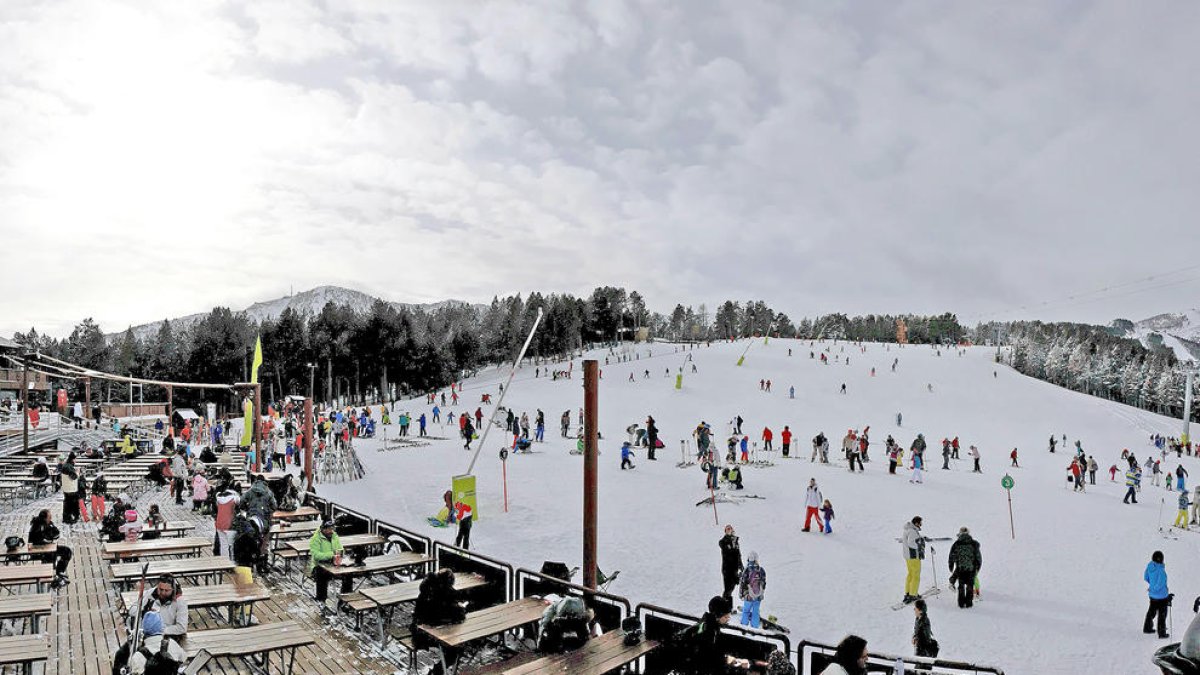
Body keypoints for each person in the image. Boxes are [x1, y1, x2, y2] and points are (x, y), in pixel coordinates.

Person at [411, 568, 467, 674]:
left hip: (418, 631)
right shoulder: (445, 595)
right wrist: (461, 609)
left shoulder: (426, 589)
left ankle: (438, 671)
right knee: (457, 649)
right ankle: (438, 671)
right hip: (427, 635)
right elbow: (458, 615)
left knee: (455, 646)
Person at [308, 520, 350, 604]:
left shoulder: (335, 536)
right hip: (319, 565)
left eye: (332, 528)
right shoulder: (315, 539)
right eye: (329, 529)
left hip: (334, 563)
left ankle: (345, 600)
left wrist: (340, 554)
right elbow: (316, 555)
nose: (332, 531)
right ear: (323, 529)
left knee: (348, 575)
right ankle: (321, 599)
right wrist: (332, 554)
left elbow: (340, 549)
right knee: (321, 574)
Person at [28, 509, 71, 588]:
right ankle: (52, 579)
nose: (51, 518)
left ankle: (60, 572)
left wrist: (52, 535)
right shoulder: (37, 526)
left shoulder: (49, 524)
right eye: (49, 517)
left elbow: (57, 533)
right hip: (38, 552)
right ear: (44, 518)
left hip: (49, 548)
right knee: (51, 555)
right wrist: (50, 537)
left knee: (67, 551)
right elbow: (41, 540)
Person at [947, 527, 982, 608]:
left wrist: (951, 566)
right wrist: (978, 566)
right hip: (971, 568)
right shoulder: (973, 543)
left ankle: (961, 603)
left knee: (961, 586)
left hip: (960, 568)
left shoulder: (956, 544)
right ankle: (969, 603)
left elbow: (951, 555)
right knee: (970, 585)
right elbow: (978, 556)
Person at [1144, 550, 1171, 638]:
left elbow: (1146, 577)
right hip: (1162, 596)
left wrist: (1152, 587)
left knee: (1151, 611)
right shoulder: (1161, 571)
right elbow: (1161, 584)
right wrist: (1156, 589)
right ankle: (1162, 633)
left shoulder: (1150, 566)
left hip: (1152, 596)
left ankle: (1147, 628)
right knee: (1162, 615)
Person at [739, 551, 766, 629]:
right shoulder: (761, 570)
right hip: (758, 596)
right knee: (755, 612)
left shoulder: (746, 570)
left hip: (748, 596)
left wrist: (741, 595)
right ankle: (755, 628)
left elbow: (742, 584)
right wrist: (761, 594)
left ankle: (743, 628)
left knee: (746, 611)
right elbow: (764, 583)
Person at [901, 516, 925, 604]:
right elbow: (911, 543)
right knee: (916, 575)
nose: (921, 525)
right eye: (920, 523)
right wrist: (920, 546)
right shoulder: (912, 531)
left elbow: (911, 541)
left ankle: (908, 593)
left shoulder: (908, 529)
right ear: (916, 523)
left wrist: (920, 539)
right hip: (913, 556)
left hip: (908, 557)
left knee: (910, 574)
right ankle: (913, 594)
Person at [718, 525, 742, 602]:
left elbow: (738, 555)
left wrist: (741, 565)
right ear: (725, 531)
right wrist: (733, 544)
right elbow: (728, 553)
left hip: (734, 568)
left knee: (732, 587)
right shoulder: (723, 542)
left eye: (731, 528)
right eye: (728, 529)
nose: (729, 529)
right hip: (727, 569)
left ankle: (728, 606)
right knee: (728, 588)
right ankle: (724, 606)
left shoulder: (735, 542)